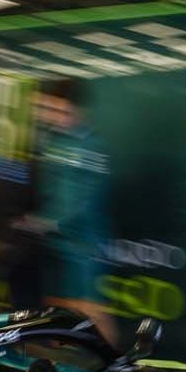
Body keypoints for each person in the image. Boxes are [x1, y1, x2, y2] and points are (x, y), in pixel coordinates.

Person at [20, 79, 117, 344]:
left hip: (83, 242)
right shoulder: (50, 139)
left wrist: (48, 221)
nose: (50, 115)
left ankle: (117, 368)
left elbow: (84, 198)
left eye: (58, 110)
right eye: (46, 109)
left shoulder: (91, 145)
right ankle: (69, 368)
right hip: (54, 242)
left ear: (76, 109)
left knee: (90, 309)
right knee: (57, 307)